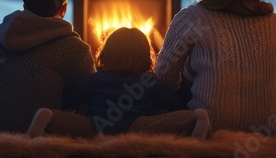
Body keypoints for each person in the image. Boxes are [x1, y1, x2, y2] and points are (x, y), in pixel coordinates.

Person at [155, 0, 276, 133]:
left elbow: (164, 79)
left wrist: (189, 75)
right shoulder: (274, 22)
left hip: (213, 121)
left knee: (151, 89)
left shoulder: (192, 17)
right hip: (271, 123)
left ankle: (192, 121)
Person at [0, 0, 96, 133]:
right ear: (63, 9)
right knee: (95, 121)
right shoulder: (75, 49)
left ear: (25, 7)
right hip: (31, 123)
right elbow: (91, 97)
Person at [28, 27, 210, 139]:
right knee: (177, 118)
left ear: (107, 52)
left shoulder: (97, 79)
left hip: (96, 128)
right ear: (144, 57)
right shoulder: (147, 81)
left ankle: (47, 116)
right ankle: (197, 119)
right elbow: (173, 104)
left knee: (71, 120)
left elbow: (70, 100)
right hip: (135, 128)